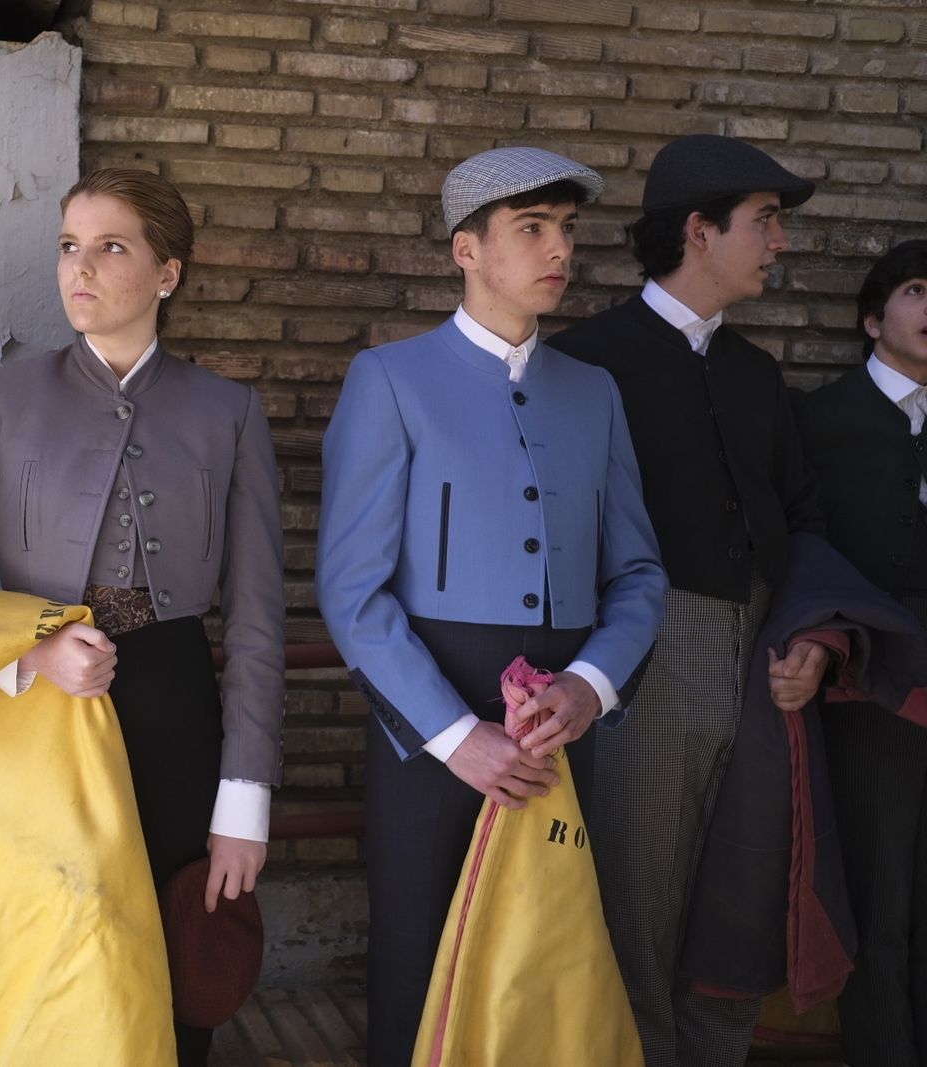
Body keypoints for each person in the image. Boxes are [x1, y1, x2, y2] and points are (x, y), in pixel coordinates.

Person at [0, 166, 286, 1066]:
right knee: (52, 959)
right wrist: (27, 661)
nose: (82, 268)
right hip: (33, 720)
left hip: (180, 705)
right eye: (70, 246)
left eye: (111, 247)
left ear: (168, 273)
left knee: (179, 957)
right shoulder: (2, 398)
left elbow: (259, 621)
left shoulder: (229, 412)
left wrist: (246, 800)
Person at [316, 146, 666, 1066]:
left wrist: (589, 687)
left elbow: (638, 575)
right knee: (422, 962)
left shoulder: (596, 393)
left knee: (553, 960)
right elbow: (351, 590)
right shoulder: (388, 378)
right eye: (532, 229)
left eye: (568, 230)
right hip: (430, 722)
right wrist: (453, 734)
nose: (560, 250)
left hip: (563, 723)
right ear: (466, 250)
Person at [549, 134, 828, 1067]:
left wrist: (811, 640)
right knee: (639, 895)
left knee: (742, 893)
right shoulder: (589, 362)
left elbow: (801, 518)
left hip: (761, 659)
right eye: (767, 221)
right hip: (643, 660)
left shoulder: (755, 375)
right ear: (700, 232)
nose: (780, 242)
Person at [794, 239, 927, 1066]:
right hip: (873, 694)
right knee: (880, 911)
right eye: (919, 289)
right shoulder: (820, 422)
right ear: (872, 318)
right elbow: (805, 551)